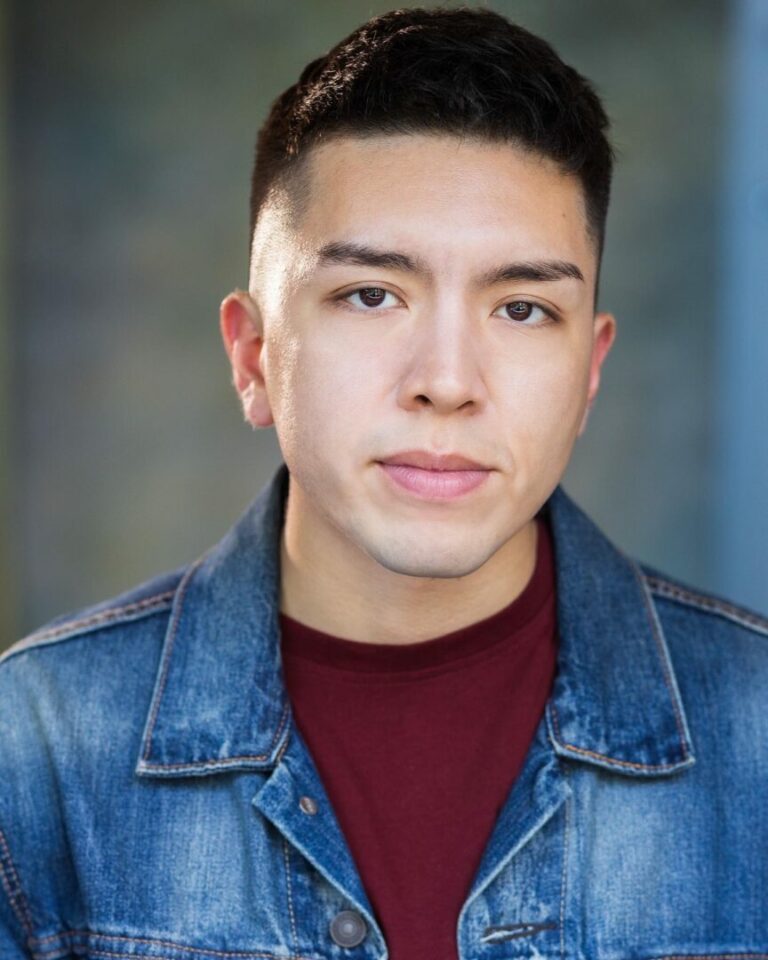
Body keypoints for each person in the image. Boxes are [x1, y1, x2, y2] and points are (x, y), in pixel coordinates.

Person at [2, 6, 767, 959]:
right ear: (252, 356)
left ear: (589, 374)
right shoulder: (34, 747)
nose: (446, 381)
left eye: (523, 308)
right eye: (371, 295)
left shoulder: (756, 728)